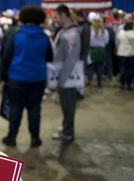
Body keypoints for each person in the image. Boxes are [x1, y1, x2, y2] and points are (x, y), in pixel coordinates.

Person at [0, 6, 53, 148]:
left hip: (17, 78)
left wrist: (3, 77)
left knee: (15, 108)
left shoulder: (16, 35)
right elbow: (50, 57)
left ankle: (11, 137)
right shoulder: (44, 37)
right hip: (38, 78)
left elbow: (7, 57)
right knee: (35, 109)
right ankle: (35, 138)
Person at [51, 4, 81, 142]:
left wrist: (61, 80)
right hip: (62, 75)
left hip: (67, 77)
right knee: (65, 104)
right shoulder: (64, 31)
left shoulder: (72, 34)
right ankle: (66, 128)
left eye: (56, 17)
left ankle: (68, 132)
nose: (55, 20)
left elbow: (71, 60)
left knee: (68, 105)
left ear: (63, 15)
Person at [116, 21, 134, 90]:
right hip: (132, 53)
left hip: (121, 53)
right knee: (130, 69)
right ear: (132, 26)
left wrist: (118, 49)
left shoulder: (121, 33)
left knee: (122, 69)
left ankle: (122, 84)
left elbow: (117, 42)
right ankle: (129, 84)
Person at [87, 18, 109, 87]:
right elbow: (106, 41)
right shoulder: (105, 32)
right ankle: (99, 82)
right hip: (101, 50)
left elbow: (88, 41)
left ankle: (89, 81)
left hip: (92, 50)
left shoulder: (91, 31)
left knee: (91, 67)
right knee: (100, 67)